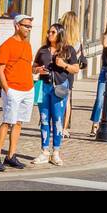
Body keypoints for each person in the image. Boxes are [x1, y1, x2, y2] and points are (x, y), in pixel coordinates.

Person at [0, 14, 35, 171]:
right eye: (26, 26)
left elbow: (27, 67)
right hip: (13, 89)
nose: (29, 29)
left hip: (27, 89)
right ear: (17, 26)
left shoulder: (28, 46)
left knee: (18, 122)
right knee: (7, 121)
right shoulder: (6, 45)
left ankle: (11, 155)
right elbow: (0, 69)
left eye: (30, 26)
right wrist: (6, 89)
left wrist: (36, 71)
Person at [33, 23, 80, 165]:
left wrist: (64, 65)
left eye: (52, 32)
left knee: (58, 120)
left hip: (60, 86)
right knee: (44, 118)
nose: (49, 34)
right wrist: (37, 69)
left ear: (60, 33)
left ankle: (56, 152)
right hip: (43, 86)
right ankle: (44, 151)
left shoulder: (68, 50)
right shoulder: (43, 50)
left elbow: (76, 69)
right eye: (49, 32)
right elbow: (33, 67)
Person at [59, 10, 84, 137]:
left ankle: (60, 125)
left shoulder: (61, 38)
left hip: (60, 70)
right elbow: (78, 56)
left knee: (59, 98)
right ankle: (64, 127)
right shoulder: (77, 39)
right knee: (66, 99)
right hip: (70, 72)